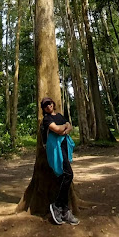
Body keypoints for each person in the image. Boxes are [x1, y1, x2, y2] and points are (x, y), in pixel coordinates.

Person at [41, 96, 80, 225]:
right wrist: (64, 128)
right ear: (43, 108)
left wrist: (64, 129)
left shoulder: (59, 116)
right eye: (45, 105)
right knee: (68, 174)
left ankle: (64, 210)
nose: (48, 106)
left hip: (63, 147)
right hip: (55, 149)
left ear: (53, 103)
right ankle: (57, 205)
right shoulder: (47, 119)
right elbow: (58, 129)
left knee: (64, 176)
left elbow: (70, 127)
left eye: (49, 103)